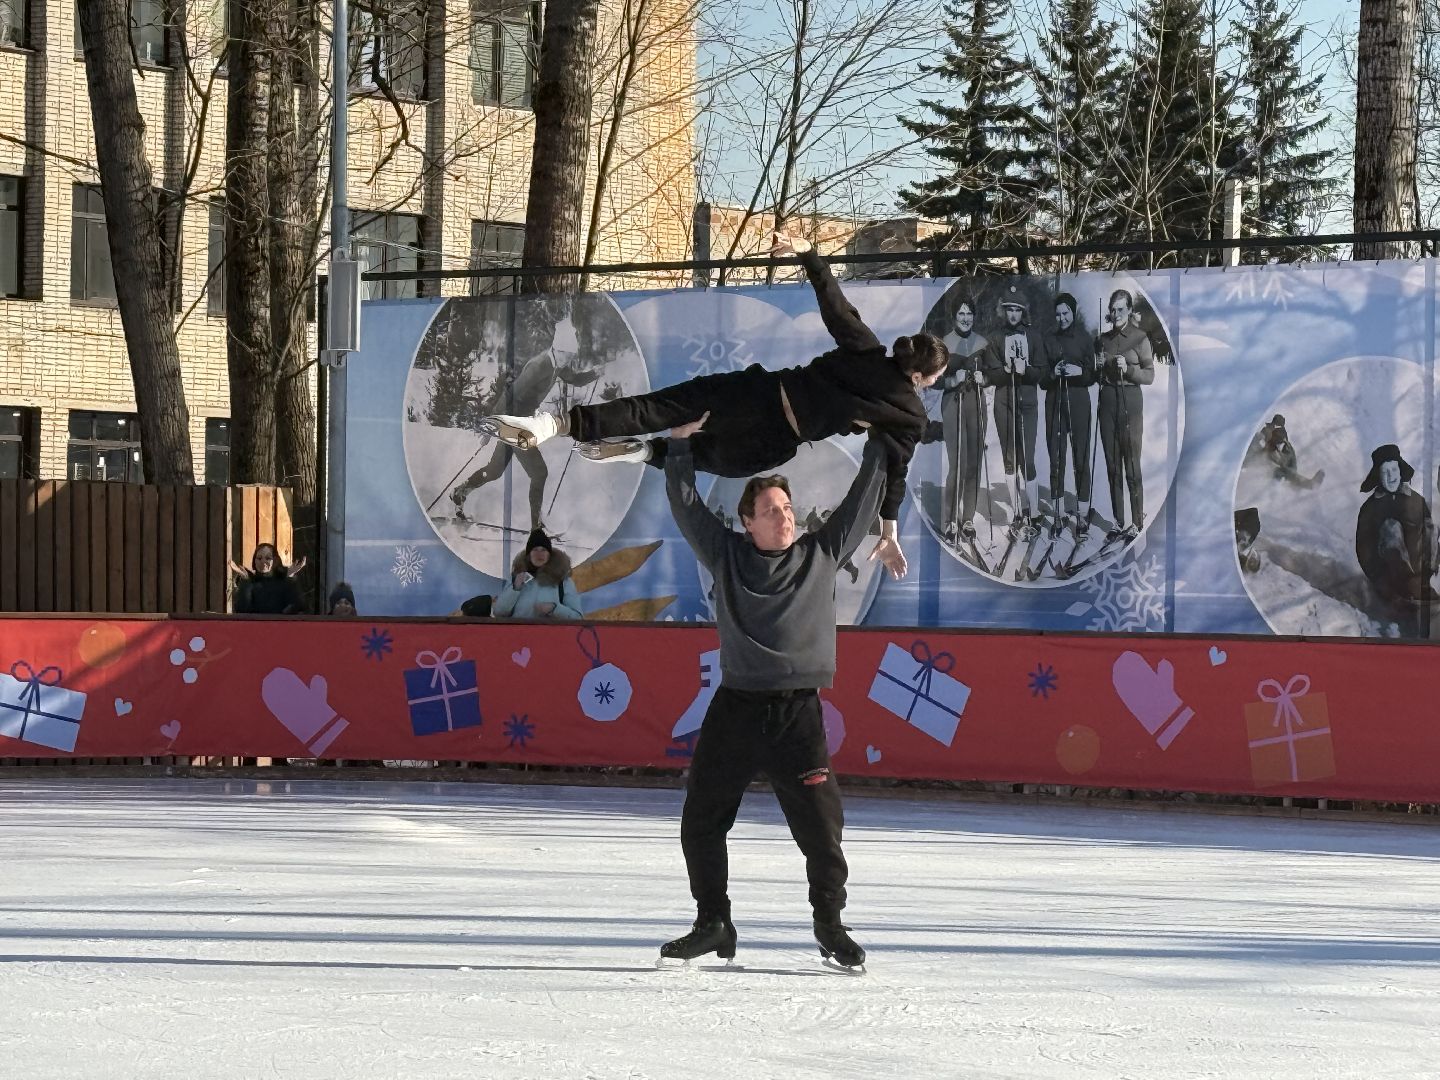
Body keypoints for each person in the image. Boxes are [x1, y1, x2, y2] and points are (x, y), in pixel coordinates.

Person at [480, 232, 947, 567]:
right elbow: (894, 476)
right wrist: (888, 532)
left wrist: (809, 254)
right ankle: (647, 452)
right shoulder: (909, 415)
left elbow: (835, 305)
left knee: (657, 407)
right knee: (710, 459)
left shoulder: (866, 349)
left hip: (758, 392)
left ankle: (552, 426)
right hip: (777, 439)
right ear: (923, 377)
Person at [657, 413, 904, 971]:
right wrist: (677, 448)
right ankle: (713, 923)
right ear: (748, 522)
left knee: (821, 831)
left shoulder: (819, 555)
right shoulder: (727, 555)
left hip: (797, 715)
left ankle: (829, 923)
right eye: (771, 511)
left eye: (787, 509)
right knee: (701, 820)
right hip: (736, 708)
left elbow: (862, 501)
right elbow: (687, 508)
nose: (784, 517)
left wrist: (879, 441)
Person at [982, 290, 1047, 531]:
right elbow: (991, 372)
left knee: (1027, 458)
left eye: (1017, 309)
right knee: (1009, 458)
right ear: (1003, 311)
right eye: (1009, 309)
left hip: (1027, 403)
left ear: (1023, 312)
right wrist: (1008, 370)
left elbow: (1041, 371)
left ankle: (1035, 510)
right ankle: (1017, 509)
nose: (1013, 314)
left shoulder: (1034, 336)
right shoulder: (995, 337)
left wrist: (1025, 370)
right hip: (1004, 402)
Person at [1355, 444, 1434, 635]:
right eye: (1385, 471)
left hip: (1420, 579)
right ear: (1378, 476)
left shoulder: (1416, 501)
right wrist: (1381, 582)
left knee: (1430, 528)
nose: (1391, 476)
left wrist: (1428, 569)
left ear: (1400, 469)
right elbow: (1364, 550)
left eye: (1394, 469)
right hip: (1389, 585)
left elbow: (1429, 537)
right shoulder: (1370, 509)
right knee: (1392, 528)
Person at [1095, 289, 1154, 543]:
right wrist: (1097, 366)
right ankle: (1119, 522)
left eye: (1121, 309)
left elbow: (1150, 375)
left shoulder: (1140, 338)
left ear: (1129, 310)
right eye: (1113, 309)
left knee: (1131, 463)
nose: (1116, 314)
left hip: (1130, 400)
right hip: (1107, 400)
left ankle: (1137, 522)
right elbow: (1096, 374)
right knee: (1111, 464)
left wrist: (1128, 369)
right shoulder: (1102, 339)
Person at [936, 298, 993, 544]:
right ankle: (949, 519)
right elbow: (934, 379)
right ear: (954, 316)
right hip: (953, 404)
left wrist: (985, 378)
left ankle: (967, 518)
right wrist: (951, 380)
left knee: (974, 463)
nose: (966, 318)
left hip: (976, 404)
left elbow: (994, 372)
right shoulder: (944, 343)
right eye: (961, 313)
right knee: (958, 464)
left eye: (969, 313)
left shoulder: (983, 343)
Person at [1041, 293, 1096, 540]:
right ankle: (1058, 514)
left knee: (1080, 456)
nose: (1062, 318)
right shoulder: (1048, 338)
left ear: (1073, 312)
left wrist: (1079, 370)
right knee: (1056, 458)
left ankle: (1083, 515)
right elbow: (1041, 378)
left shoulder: (1085, 338)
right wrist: (1053, 372)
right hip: (1055, 401)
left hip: (1078, 401)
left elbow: (1093, 374)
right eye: (1058, 314)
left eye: (1066, 313)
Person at [492, 529, 584, 619]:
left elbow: (578, 618)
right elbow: (499, 612)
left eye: (543, 550)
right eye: (535, 549)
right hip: (519, 633)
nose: (539, 554)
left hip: (550, 634)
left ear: (549, 554)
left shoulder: (563, 581)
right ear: (529, 554)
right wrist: (515, 589)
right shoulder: (516, 577)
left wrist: (554, 609)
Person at [232, 543, 304, 614]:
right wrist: (245, 581)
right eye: (259, 558)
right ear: (254, 561)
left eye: (268, 558)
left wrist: (289, 577)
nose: (263, 562)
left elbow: (296, 607)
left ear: (275, 561)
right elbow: (242, 610)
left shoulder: (283, 581)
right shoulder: (250, 582)